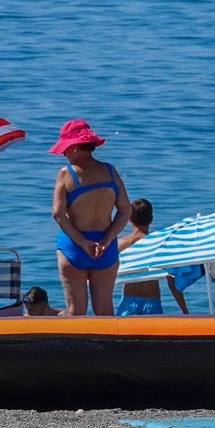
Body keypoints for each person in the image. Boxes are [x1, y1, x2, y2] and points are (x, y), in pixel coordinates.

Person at [49, 119, 132, 316]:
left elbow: (58, 214)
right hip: (106, 249)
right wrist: (107, 239)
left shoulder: (66, 174)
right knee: (105, 311)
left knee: (75, 311)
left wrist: (83, 242)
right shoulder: (110, 171)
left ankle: (71, 347)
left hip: (74, 248)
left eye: (66, 148)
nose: (63, 153)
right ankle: (109, 347)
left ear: (76, 147)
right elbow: (125, 211)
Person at [115, 198, 189, 315]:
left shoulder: (120, 244)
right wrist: (185, 310)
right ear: (151, 219)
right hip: (152, 301)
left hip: (128, 301)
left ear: (130, 219)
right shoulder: (159, 244)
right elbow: (172, 281)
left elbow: (106, 277)